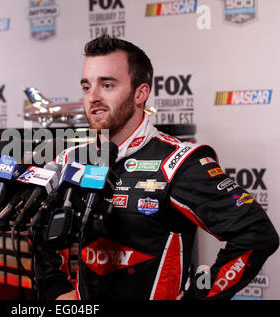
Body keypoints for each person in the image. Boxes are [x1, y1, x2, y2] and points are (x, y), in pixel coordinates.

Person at [32, 34, 279, 300]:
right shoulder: (72, 159)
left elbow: (256, 234)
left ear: (140, 93)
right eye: (86, 86)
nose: (93, 97)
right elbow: (38, 228)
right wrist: (56, 291)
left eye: (107, 85)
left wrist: (198, 295)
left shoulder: (179, 162)